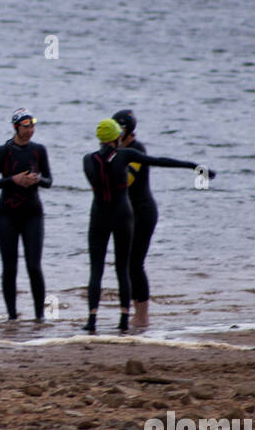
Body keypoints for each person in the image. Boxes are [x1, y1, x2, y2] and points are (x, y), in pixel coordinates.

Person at [82, 118, 213, 334]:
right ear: (117, 137)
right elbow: (159, 161)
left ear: (99, 138)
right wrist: (193, 166)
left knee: (96, 270)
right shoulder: (126, 155)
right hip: (123, 215)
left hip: (99, 216)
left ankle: (92, 319)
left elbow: (97, 180)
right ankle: (124, 319)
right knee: (122, 268)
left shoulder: (88, 159)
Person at [0, 108, 53, 320]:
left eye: (32, 126)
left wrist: (38, 180)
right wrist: (12, 180)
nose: (30, 130)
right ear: (16, 127)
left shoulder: (39, 150)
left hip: (32, 214)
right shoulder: (3, 151)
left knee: (34, 266)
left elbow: (49, 181)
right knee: (10, 267)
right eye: (26, 127)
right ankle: (12, 316)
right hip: (6, 215)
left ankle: (40, 316)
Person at [112, 109, 156, 328]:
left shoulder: (136, 150)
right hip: (128, 213)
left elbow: (126, 179)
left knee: (135, 263)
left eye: (118, 129)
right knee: (126, 264)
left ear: (127, 129)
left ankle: (142, 315)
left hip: (143, 211)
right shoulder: (120, 151)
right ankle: (133, 312)